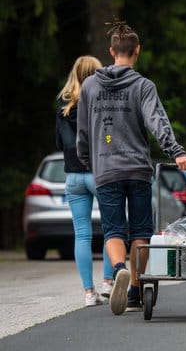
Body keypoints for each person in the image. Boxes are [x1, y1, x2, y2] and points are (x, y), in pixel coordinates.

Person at [76, 20, 186, 315]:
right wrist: (176, 151)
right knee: (140, 229)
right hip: (138, 168)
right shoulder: (143, 86)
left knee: (113, 228)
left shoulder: (90, 86)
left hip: (105, 168)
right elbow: (158, 123)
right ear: (137, 50)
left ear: (111, 51)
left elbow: (82, 131)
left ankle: (117, 270)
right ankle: (134, 293)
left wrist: (88, 161)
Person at [56, 55, 114, 307]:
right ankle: (109, 283)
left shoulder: (62, 102)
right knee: (113, 228)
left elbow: (59, 142)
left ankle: (89, 293)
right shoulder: (98, 99)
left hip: (73, 176)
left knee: (82, 234)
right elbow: (108, 136)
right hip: (98, 172)